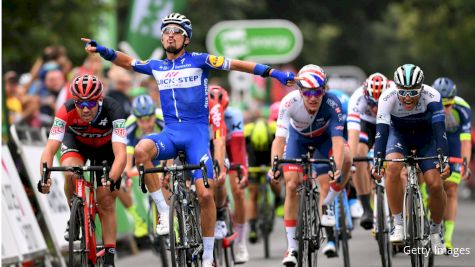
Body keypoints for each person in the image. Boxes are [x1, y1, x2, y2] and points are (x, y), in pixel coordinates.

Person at [81, 12, 296, 266]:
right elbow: (128, 62)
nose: (170, 35)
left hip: (196, 135)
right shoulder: (157, 66)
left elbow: (238, 64)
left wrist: (273, 73)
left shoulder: (200, 60)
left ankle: (207, 255)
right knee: (140, 150)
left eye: (176, 31)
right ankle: (163, 211)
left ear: (186, 38)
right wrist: (103, 50)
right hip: (170, 133)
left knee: (206, 195)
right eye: (166, 31)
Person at [37, 74, 127, 267]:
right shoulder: (66, 110)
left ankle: (109, 255)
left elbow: (120, 154)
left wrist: (111, 178)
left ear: (100, 99)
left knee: (106, 198)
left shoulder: (114, 109)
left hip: (106, 149)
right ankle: (76, 215)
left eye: (91, 103)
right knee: (70, 172)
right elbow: (50, 148)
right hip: (77, 144)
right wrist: (45, 176)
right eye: (80, 103)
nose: (85, 109)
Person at [268, 64, 352, 265]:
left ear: (324, 90)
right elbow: (279, 140)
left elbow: (338, 142)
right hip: (299, 139)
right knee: (291, 185)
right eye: (308, 92)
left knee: (347, 157)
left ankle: (329, 200)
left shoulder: (333, 103)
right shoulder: (289, 102)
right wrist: (274, 166)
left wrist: (337, 170)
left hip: (324, 140)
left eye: (318, 92)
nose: (313, 97)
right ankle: (292, 248)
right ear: (300, 91)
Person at [372, 64, 450, 255]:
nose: (407, 97)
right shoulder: (387, 97)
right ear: (396, 87)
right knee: (392, 168)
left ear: (421, 88)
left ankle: (435, 230)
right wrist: (377, 161)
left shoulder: (432, 96)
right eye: (403, 92)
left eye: (413, 92)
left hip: (426, 138)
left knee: (434, 183)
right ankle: (398, 223)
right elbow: (381, 133)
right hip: (399, 136)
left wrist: (444, 160)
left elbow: (441, 131)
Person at [208, 85, 250, 263]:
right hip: (211, 147)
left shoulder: (234, 115)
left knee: (238, 191)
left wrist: (241, 169)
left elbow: (238, 147)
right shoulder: (203, 114)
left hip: (231, 146)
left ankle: (241, 243)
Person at [347, 73, 392, 229]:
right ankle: (366, 208)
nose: (375, 108)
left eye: (379, 104)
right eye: (371, 104)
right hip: (366, 125)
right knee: (359, 155)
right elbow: (353, 133)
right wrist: (352, 161)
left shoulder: (395, 93)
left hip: (390, 122)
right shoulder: (357, 98)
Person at [432, 77, 472, 252]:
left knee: (451, 188)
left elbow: (465, 141)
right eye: (442, 104)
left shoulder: (463, 109)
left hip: (453, 145)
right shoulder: (428, 104)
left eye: (448, 104)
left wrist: (465, 163)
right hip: (433, 143)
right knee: (430, 182)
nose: (445, 109)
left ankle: (447, 237)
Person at [119, 94, 165, 238]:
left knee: (167, 183)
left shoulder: (163, 118)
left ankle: (173, 221)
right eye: (141, 121)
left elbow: (172, 149)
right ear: (135, 118)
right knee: (118, 183)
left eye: (149, 119)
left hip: (163, 154)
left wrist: (164, 171)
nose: (146, 124)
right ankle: (139, 220)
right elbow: (128, 153)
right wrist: (126, 174)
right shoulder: (130, 124)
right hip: (141, 157)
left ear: (154, 113)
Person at [244, 101, 282, 244]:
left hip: (268, 157)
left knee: (275, 179)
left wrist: (278, 168)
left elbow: (281, 145)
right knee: (252, 193)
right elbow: (241, 151)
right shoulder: (247, 131)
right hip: (253, 159)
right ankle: (252, 227)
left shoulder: (273, 129)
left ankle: (279, 200)